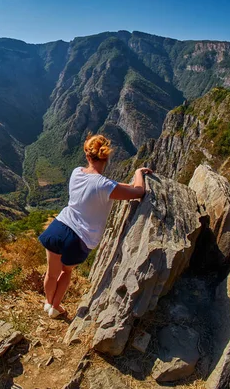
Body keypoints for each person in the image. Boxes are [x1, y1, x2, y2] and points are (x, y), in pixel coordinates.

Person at [38, 134, 152, 318]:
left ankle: (48, 303)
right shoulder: (106, 186)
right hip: (79, 239)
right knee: (66, 272)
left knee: (51, 274)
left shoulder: (77, 172)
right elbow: (138, 191)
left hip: (58, 227)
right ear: (106, 157)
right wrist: (138, 173)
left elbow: (110, 185)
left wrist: (123, 184)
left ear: (87, 155)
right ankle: (56, 307)